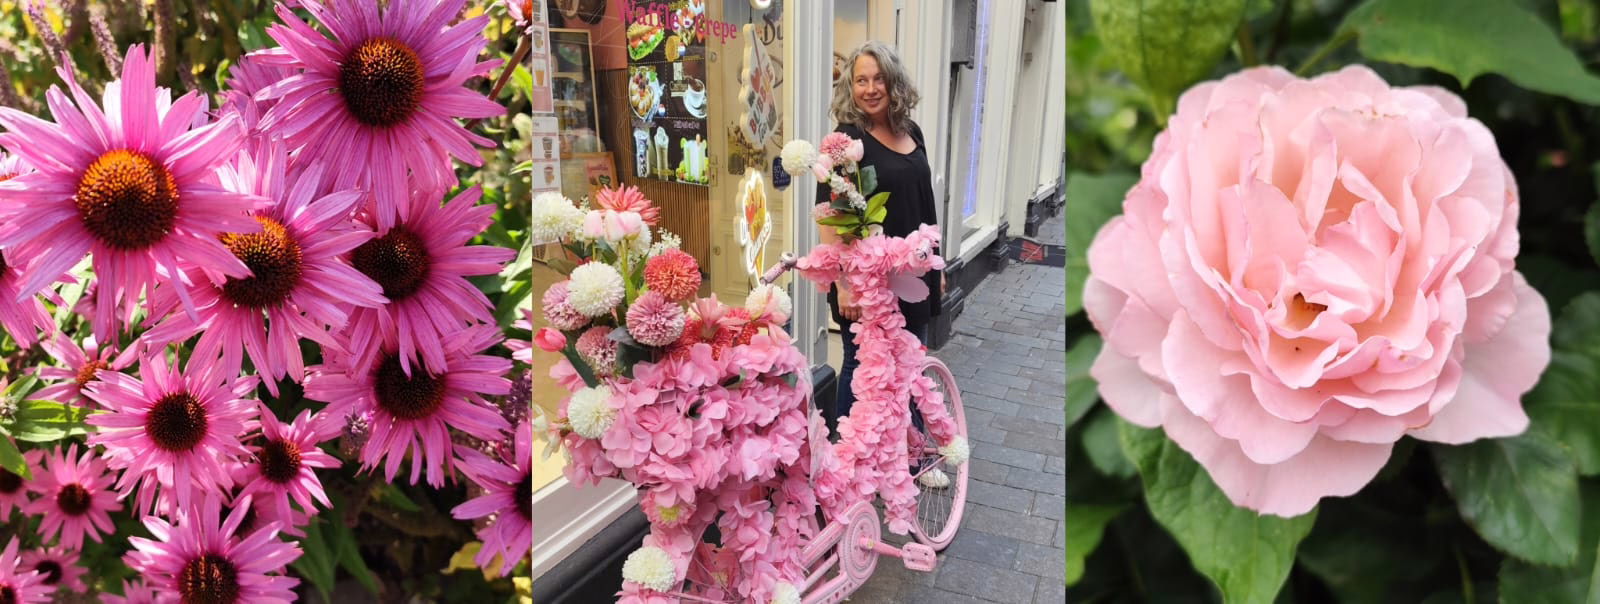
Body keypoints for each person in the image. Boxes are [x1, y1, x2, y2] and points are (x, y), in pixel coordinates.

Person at [816, 41, 942, 437]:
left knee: (912, 363)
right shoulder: (845, 141)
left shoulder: (911, 130)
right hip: (865, 283)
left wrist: (935, 265)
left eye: (878, 79)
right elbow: (829, 216)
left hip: (914, 273)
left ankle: (912, 453)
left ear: (893, 83)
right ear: (849, 87)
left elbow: (925, 203)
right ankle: (846, 461)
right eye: (860, 81)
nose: (870, 89)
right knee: (860, 367)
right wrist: (843, 284)